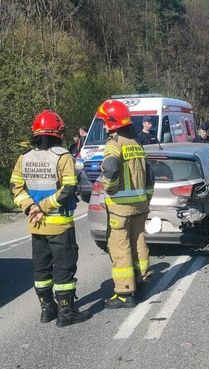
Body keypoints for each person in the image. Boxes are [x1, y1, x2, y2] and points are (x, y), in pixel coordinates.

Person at [10, 109, 91, 327]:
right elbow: (68, 189)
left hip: (36, 226)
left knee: (41, 269)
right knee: (64, 267)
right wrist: (44, 207)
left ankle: (47, 309)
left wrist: (31, 208)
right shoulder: (63, 156)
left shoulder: (23, 158)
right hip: (60, 225)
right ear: (59, 132)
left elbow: (15, 187)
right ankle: (66, 312)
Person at [95, 100, 155, 308]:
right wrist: (146, 198)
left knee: (120, 249)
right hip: (140, 207)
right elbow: (150, 176)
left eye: (104, 122)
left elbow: (110, 168)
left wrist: (109, 188)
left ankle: (124, 293)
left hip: (120, 209)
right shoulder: (136, 144)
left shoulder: (114, 144)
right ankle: (141, 280)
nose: (103, 126)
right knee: (139, 245)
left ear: (112, 122)